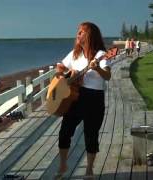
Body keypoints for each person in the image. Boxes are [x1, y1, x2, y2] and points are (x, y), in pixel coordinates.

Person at [54, 22, 111, 178]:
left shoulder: (101, 55)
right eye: (77, 32)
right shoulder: (75, 53)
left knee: (91, 135)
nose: (77, 35)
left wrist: (97, 67)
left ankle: (89, 169)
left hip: (94, 98)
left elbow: (107, 76)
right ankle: (63, 165)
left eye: (81, 32)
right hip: (75, 97)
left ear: (89, 35)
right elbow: (59, 67)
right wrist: (63, 75)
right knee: (65, 132)